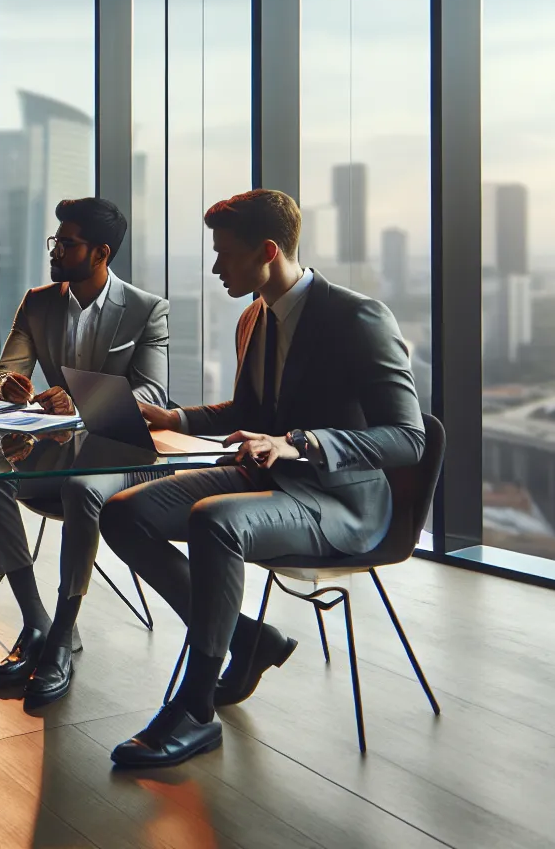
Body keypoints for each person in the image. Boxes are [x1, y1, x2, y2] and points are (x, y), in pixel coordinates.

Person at [102, 189, 424, 768]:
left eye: (225, 253)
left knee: (215, 521)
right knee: (124, 512)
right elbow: (252, 415)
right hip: (272, 485)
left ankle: (196, 708)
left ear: (268, 250)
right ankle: (248, 638)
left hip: (340, 502)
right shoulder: (255, 317)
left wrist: (299, 442)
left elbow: (408, 439)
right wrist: (175, 418)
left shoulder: (358, 318)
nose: (215, 266)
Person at [0, 197, 169, 708]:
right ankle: (34, 617)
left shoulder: (147, 310)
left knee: (83, 491)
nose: (56, 249)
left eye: (68, 242)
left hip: (118, 457)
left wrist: (82, 400)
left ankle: (62, 635)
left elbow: (154, 394)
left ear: (100, 252)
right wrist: (11, 383)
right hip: (54, 447)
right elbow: (1, 370)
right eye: (55, 240)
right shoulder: (38, 301)